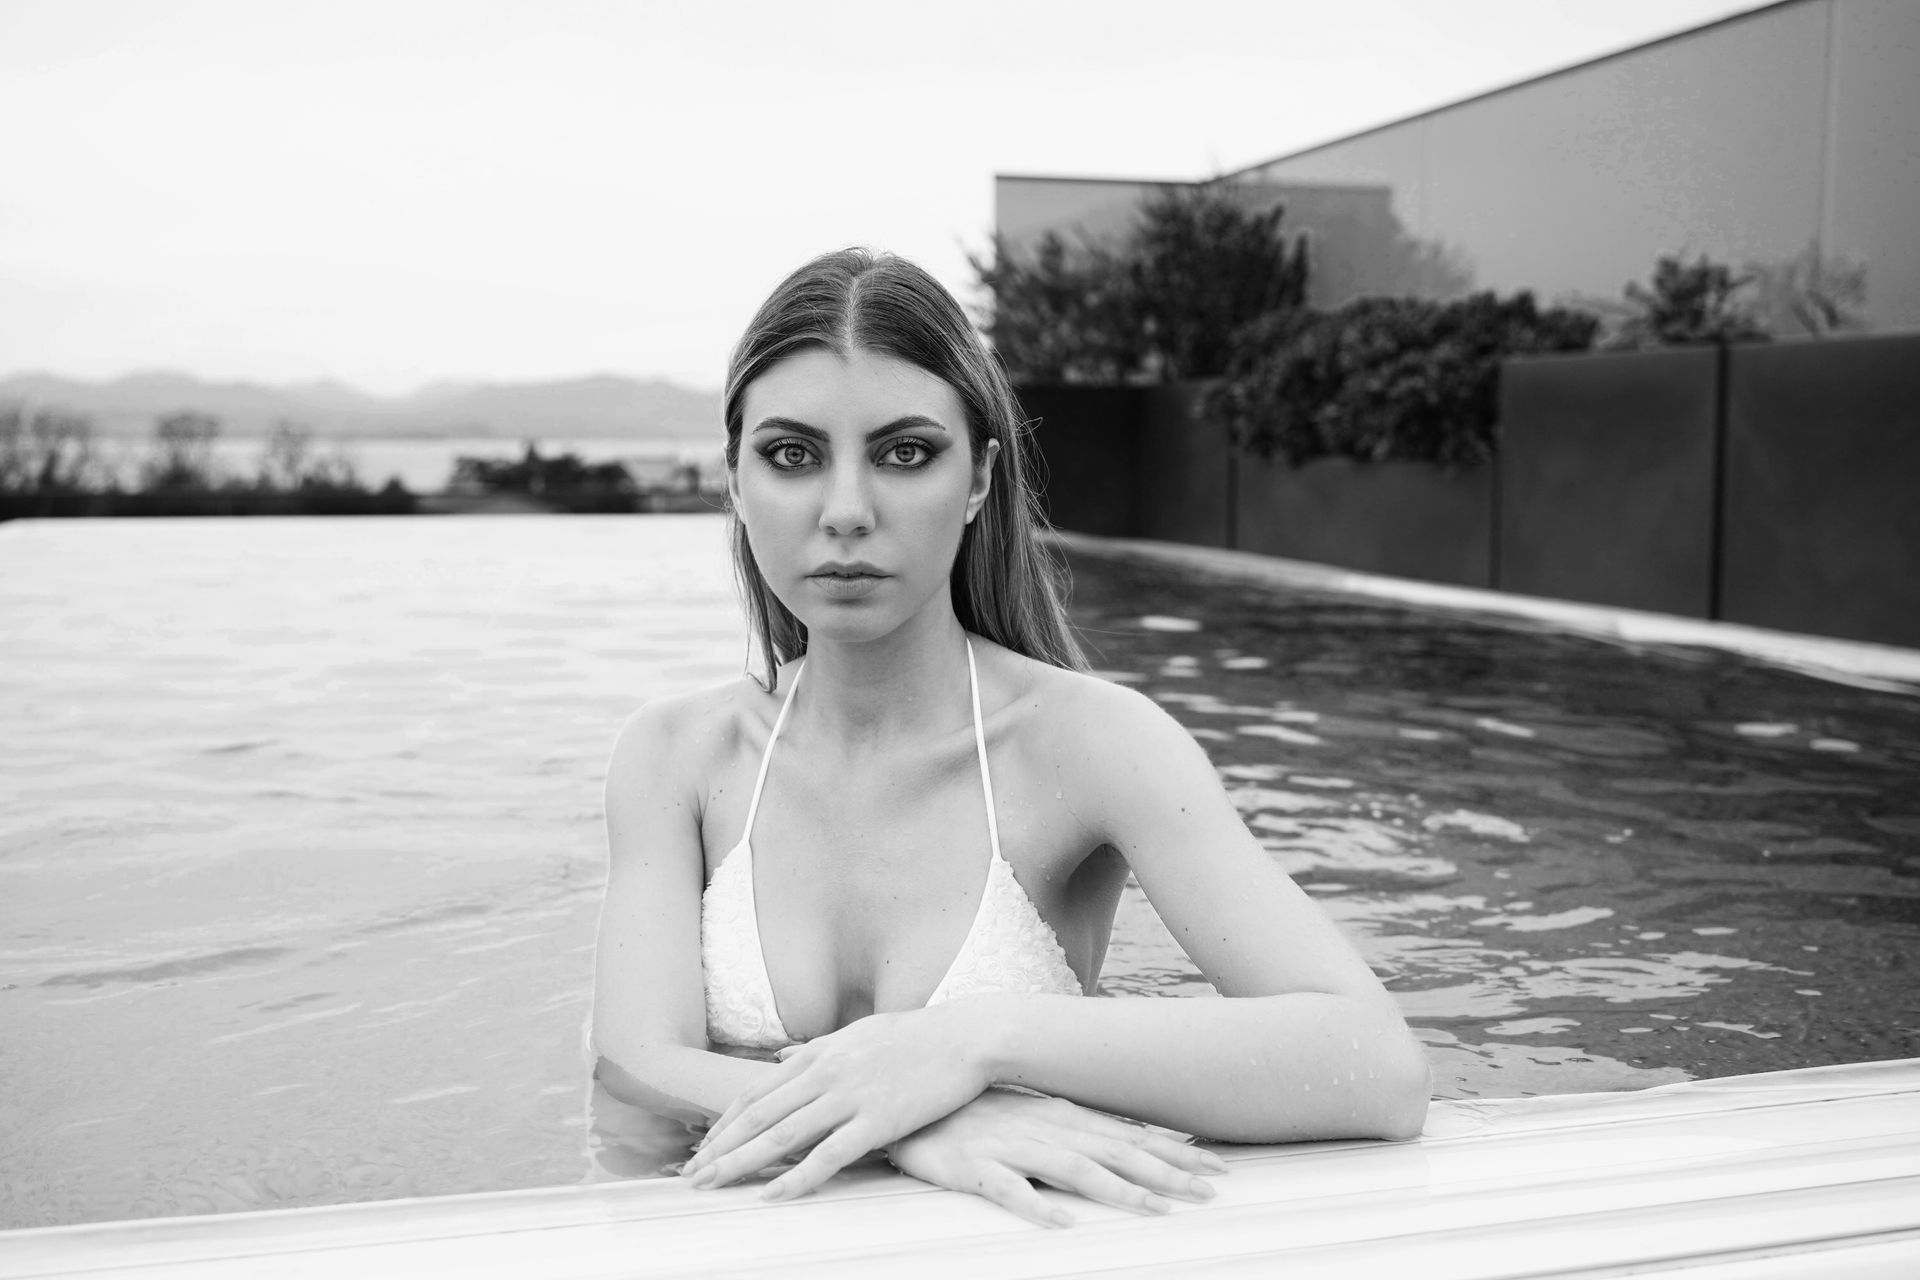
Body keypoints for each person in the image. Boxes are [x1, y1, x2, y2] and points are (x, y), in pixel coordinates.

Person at [589, 248, 1429, 1227]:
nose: (847, 511)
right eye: (791, 454)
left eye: (906, 452)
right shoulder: (676, 756)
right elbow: (633, 1063)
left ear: (982, 476)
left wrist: (976, 1043)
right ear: (734, 479)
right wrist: (907, 1121)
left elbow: (1375, 1066)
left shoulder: (1095, 744)